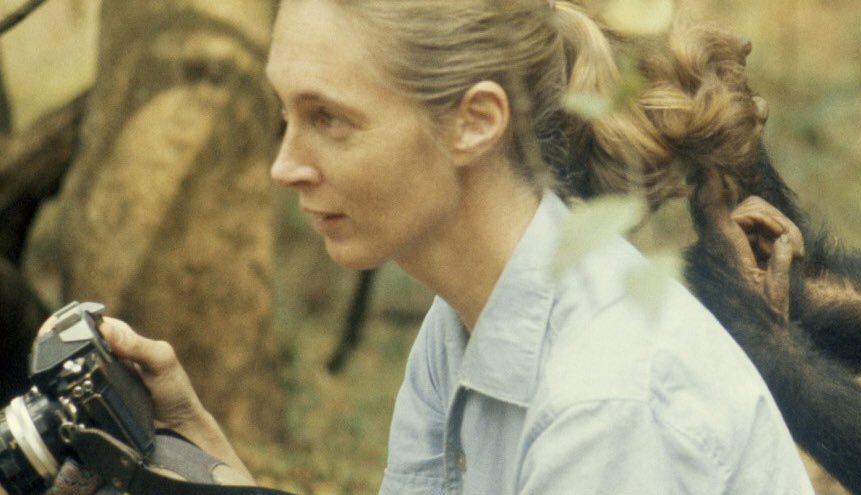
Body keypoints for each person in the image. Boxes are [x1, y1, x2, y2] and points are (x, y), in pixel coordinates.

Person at [68, 0, 816, 493]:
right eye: (285, 113)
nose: (283, 164)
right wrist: (190, 455)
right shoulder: (466, 318)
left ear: (475, 122)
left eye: (328, 118)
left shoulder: (606, 402)